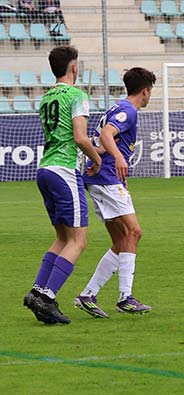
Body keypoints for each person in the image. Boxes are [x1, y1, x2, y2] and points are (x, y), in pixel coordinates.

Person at [23, 45, 102, 325]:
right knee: (79, 240)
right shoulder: (76, 95)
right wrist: (97, 159)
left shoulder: (46, 98)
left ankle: (36, 291)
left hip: (45, 169)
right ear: (73, 68)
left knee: (62, 237)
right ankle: (47, 297)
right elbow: (80, 138)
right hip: (64, 170)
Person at [73, 67, 156, 318]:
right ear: (145, 90)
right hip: (107, 178)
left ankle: (88, 294)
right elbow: (108, 135)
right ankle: (125, 298)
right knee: (134, 231)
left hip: (102, 178)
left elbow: (99, 144)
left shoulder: (116, 108)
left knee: (121, 241)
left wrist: (97, 161)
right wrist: (119, 158)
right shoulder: (128, 111)